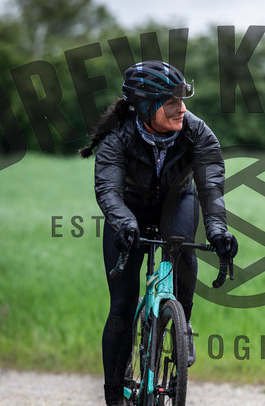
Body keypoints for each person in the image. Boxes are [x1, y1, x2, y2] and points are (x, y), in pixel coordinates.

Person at [78, 60, 238, 406]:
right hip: (129, 209)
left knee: (183, 249)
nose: (182, 109)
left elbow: (211, 186)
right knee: (122, 305)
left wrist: (218, 229)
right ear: (145, 106)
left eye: (182, 100)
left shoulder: (196, 131)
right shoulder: (117, 136)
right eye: (171, 102)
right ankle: (114, 397)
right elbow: (108, 191)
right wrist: (124, 223)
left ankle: (181, 326)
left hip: (176, 202)